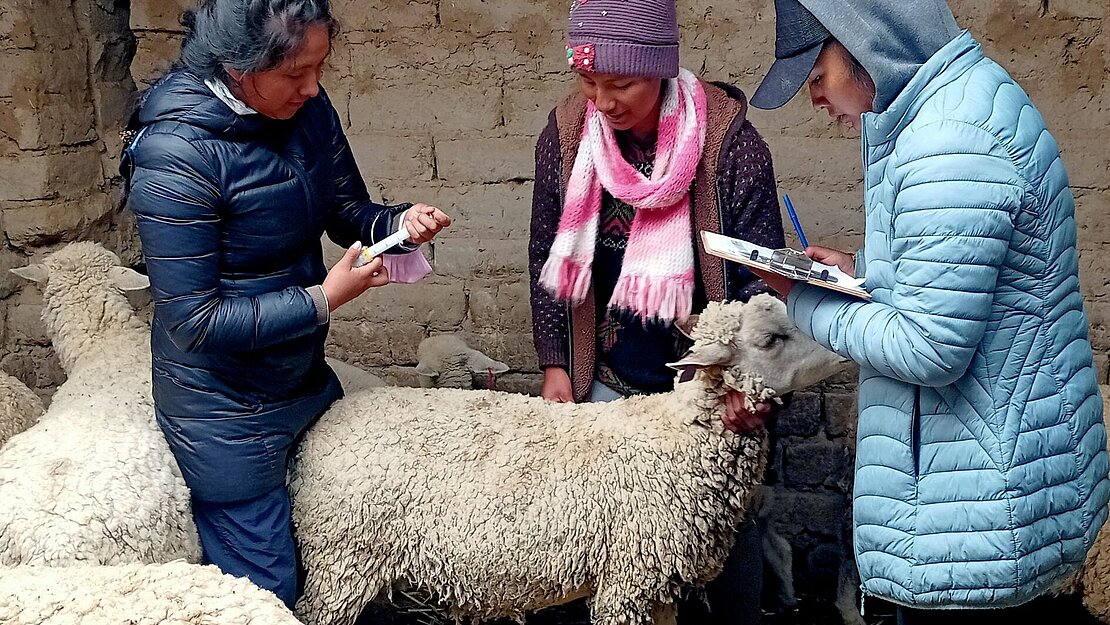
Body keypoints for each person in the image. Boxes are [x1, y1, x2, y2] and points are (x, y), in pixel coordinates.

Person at [746, 0, 1109, 622]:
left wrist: (800, 299)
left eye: (816, 76)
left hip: (976, 501)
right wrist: (863, 270)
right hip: (979, 480)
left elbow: (929, 345)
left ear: (865, 43)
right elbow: (964, 272)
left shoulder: (950, 143)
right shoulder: (951, 109)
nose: (815, 98)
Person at [121, 0, 450, 608]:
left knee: (339, 563)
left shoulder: (306, 110)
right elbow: (193, 321)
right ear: (237, 67)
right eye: (296, 72)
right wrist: (324, 299)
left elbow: (345, 209)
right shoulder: (175, 157)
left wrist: (398, 224)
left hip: (300, 378)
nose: (313, 87)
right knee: (265, 594)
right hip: (225, 412)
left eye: (320, 67)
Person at [527, 0, 787, 621]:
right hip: (607, 376)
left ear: (660, 68)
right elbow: (546, 251)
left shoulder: (730, 145)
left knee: (723, 525)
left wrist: (745, 380)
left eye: (621, 84)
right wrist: (557, 362)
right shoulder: (567, 137)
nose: (603, 101)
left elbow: (760, 276)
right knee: (603, 541)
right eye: (588, 81)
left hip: (707, 385)